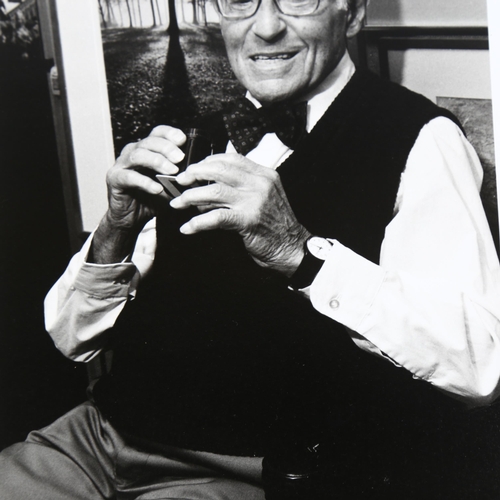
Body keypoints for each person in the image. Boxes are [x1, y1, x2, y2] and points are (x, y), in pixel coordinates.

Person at [2, 0, 500, 498]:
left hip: (237, 468)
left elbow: (480, 364)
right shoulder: (197, 131)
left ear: (353, 14)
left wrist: (299, 252)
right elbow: (71, 339)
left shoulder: (423, 139)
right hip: (94, 438)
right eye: (242, 1)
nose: (265, 28)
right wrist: (115, 228)